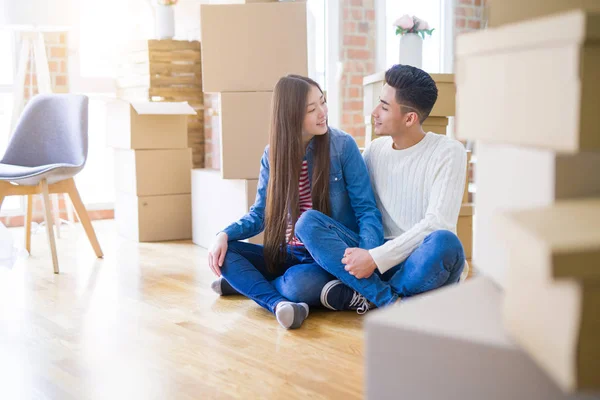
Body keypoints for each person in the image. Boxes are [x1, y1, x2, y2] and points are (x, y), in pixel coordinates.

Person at [208, 74, 384, 329]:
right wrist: (223, 234)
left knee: (298, 285)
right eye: (312, 109)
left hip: (331, 256)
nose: (323, 112)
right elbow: (260, 215)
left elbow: (367, 210)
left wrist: (369, 256)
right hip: (292, 253)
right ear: (290, 116)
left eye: (322, 102)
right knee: (225, 254)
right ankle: (278, 304)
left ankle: (249, 285)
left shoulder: (342, 146)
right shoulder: (272, 155)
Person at [294, 64, 468, 312]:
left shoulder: (448, 152)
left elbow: (437, 222)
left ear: (410, 118)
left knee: (445, 242)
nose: (374, 112)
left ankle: (366, 295)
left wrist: (374, 258)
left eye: (385, 107)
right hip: (376, 261)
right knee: (307, 223)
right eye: (378, 103)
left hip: (417, 259)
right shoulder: (375, 150)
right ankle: (392, 302)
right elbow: (360, 210)